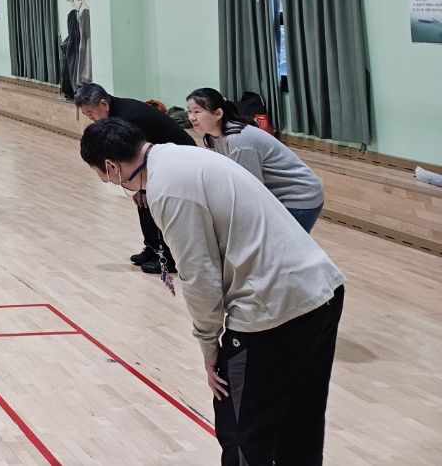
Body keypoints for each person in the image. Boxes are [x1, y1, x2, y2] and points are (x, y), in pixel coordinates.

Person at [79, 118, 345, 466]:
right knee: (299, 419)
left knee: (242, 431)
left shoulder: (167, 189)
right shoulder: (179, 156)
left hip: (273, 307)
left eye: (105, 178)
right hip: (322, 289)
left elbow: (199, 276)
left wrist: (209, 347)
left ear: (112, 166)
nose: (113, 185)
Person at [74, 81, 195, 274]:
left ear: (103, 103)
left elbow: (138, 156)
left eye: (91, 113)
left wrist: (141, 187)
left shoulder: (129, 117)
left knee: (152, 203)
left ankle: (168, 257)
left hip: (179, 158)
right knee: (142, 203)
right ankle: (153, 248)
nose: (91, 118)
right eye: (86, 114)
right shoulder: (115, 113)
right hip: (157, 159)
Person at [187, 86, 326, 232]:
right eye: (189, 111)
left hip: (299, 196)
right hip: (279, 196)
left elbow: (250, 190)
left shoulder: (238, 140)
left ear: (218, 113)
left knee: (282, 246)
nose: (191, 117)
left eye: (197, 111)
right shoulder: (212, 137)